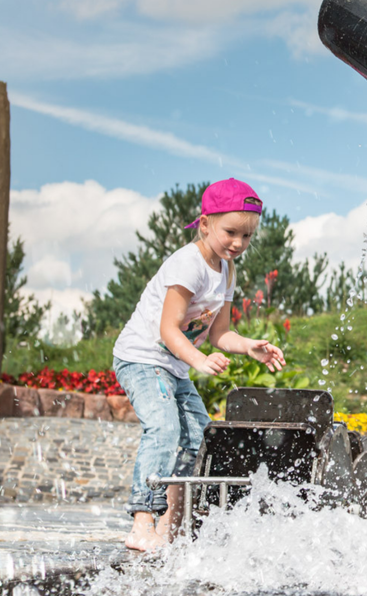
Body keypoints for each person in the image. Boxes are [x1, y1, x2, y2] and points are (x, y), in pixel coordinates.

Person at [112, 179, 286, 552]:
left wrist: (248, 346)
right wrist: (200, 360)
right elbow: (168, 329)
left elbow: (220, 333)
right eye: (230, 232)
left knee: (200, 438)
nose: (238, 243)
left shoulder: (226, 271)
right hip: (142, 357)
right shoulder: (187, 264)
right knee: (163, 427)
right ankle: (142, 521)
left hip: (172, 366)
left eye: (247, 236)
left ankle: (169, 528)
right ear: (205, 224)